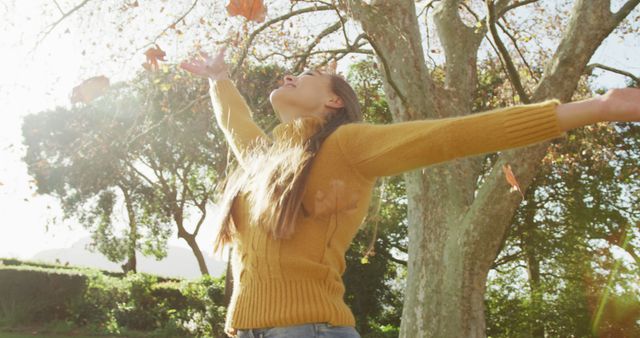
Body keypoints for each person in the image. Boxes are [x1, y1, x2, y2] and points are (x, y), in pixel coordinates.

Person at [180, 47, 640, 338]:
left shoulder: (346, 144)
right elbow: (234, 124)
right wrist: (218, 79)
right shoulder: (263, 161)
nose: (289, 75)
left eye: (309, 73)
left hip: (308, 330)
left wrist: (598, 107)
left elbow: (452, 135)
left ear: (334, 101)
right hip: (247, 329)